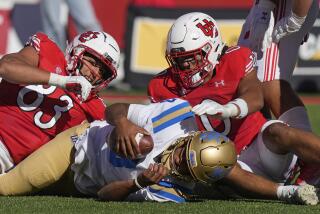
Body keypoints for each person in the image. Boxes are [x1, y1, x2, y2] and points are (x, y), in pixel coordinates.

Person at [0, 98, 317, 205]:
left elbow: (103, 197)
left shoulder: (171, 191)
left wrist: (138, 183)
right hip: (75, 148)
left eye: (186, 167)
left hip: (79, 184)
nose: (177, 161)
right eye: (183, 153)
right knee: (6, 186)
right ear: (191, 139)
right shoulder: (173, 119)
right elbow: (117, 108)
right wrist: (122, 122)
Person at [147, 12, 320, 186]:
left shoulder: (234, 59)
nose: (185, 65)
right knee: (212, 166)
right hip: (227, 166)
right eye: (179, 60)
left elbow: (255, 96)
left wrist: (228, 109)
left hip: (261, 148)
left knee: (277, 130)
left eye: (191, 57)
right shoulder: (161, 86)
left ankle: (310, 162)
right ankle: (285, 191)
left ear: (211, 48)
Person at [0, 30, 120, 173]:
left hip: (7, 156)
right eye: (92, 62)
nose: (94, 72)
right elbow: (5, 67)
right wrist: (62, 81)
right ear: (76, 50)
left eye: (103, 71)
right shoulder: (47, 49)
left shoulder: (95, 107)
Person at [237, 0, 319, 185]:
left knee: (268, 82)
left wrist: (296, 18)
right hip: (270, 7)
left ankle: (312, 158)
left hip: (282, 7)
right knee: (249, 76)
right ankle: (268, 155)